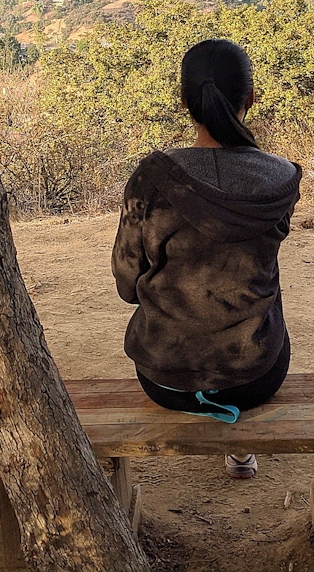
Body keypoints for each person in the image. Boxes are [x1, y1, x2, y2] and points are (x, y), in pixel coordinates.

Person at [112, 38, 301, 479]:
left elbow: (126, 283)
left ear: (183, 101)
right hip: (255, 375)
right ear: (250, 98)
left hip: (164, 378)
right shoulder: (282, 178)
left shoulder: (152, 178)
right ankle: (238, 447)